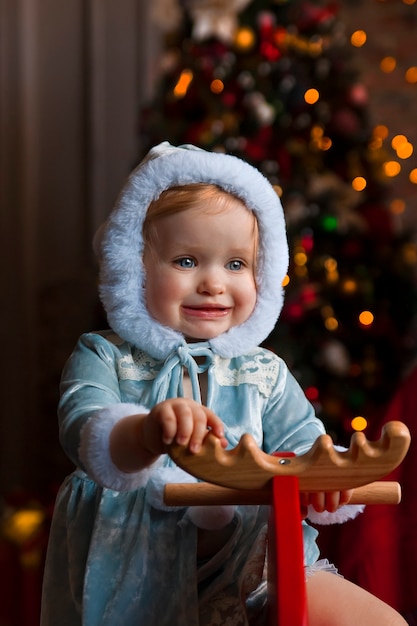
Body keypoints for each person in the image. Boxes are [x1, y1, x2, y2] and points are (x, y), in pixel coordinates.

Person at [41, 142, 407, 625]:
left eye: (235, 265)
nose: (214, 283)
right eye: (187, 261)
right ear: (133, 269)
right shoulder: (104, 356)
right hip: (134, 566)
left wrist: (326, 482)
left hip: (259, 566)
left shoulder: (264, 372)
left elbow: (305, 444)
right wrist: (146, 433)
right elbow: (84, 427)